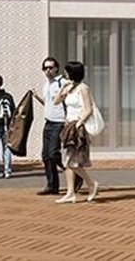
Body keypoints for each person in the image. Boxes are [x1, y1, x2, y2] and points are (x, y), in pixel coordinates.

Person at [58, 59, 101, 204]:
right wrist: (63, 89)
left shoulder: (83, 88)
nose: (65, 74)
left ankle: (91, 183)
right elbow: (56, 101)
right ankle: (70, 192)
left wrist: (78, 124)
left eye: (66, 72)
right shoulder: (69, 88)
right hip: (68, 125)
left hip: (77, 126)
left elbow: (88, 109)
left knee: (72, 161)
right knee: (67, 161)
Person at [36, 57, 68, 196]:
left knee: (53, 153)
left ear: (56, 68)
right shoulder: (46, 85)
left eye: (50, 67)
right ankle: (52, 185)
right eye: (45, 68)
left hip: (59, 122)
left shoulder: (62, 82)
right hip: (48, 122)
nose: (48, 70)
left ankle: (73, 172)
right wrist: (37, 97)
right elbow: (48, 103)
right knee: (46, 156)